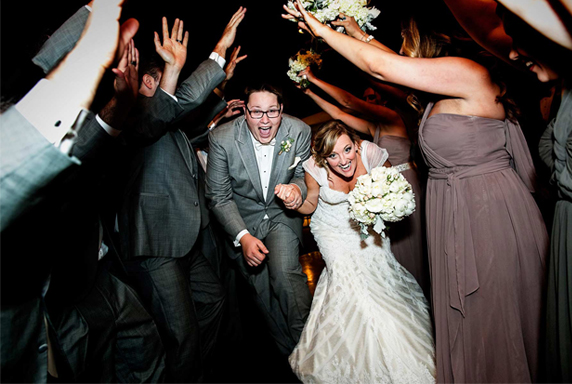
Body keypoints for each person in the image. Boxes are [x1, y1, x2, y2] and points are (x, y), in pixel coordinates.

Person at [283, 2, 549, 382]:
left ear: (427, 37)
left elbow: (382, 68)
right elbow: (392, 67)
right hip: (456, 209)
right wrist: (357, 32)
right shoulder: (439, 94)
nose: (402, 45)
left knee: (495, 309)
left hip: (486, 209)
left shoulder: (467, 72)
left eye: (406, 38)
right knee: (470, 313)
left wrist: (321, 31)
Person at [116, 9, 246, 382]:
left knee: (213, 302)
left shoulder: (161, 124)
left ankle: (193, 371)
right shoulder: (132, 119)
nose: (158, 89)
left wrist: (217, 105)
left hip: (183, 241)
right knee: (182, 335)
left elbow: (185, 131)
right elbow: (171, 108)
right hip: (155, 244)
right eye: (154, 81)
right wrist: (217, 49)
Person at [278, 120, 435, 383]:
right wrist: (294, 202)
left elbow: (393, 188)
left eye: (347, 150)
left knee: (382, 285)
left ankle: (393, 353)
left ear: (356, 143)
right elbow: (310, 205)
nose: (342, 160)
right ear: (323, 157)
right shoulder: (314, 167)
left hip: (368, 231)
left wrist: (384, 205)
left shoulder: (370, 152)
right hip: (332, 232)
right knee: (353, 289)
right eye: (333, 156)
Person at [295, 65, 429, 296]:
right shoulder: (371, 128)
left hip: (397, 182)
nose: (368, 102)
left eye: (372, 98)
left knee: (406, 251)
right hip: (370, 185)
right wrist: (309, 93)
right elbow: (338, 116)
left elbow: (347, 103)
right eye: (366, 98)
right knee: (386, 255)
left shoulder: (392, 117)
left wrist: (314, 79)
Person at [205, 83, 312, 356]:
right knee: (263, 296)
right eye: (256, 112)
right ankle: (291, 357)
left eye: (272, 112)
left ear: (281, 110)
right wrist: (243, 236)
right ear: (245, 112)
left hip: (281, 214)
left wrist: (297, 189)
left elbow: (304, 174)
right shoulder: (222, 138)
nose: (265, 120)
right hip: (242, 220)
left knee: (285, 273)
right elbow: (219, 196)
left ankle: (311, 346)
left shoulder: (298, 130)